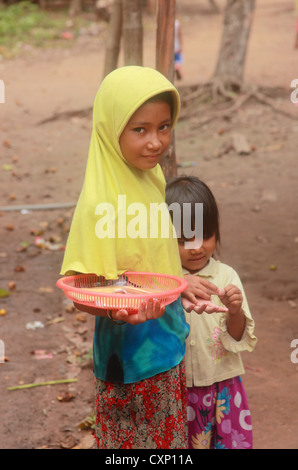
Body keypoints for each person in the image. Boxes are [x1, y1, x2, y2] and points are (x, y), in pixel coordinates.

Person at [59, 66, 223, 449]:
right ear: (109, 128)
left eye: (164, 127)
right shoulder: (100, 201)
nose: (156, 142)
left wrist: (178, 285)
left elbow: (151, 262)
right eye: (140, 130)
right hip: (128, 363)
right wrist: (116, 309)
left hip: (166, 345)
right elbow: (83, 288)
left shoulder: (151, 180)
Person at [165, 175, 257, 449]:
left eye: (205, 236)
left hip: (222, 388)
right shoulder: (163, 281)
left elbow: (238, 337)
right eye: (183, 240)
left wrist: (235, 311)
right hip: (177, 390)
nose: (197, 247)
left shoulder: (226, 276)